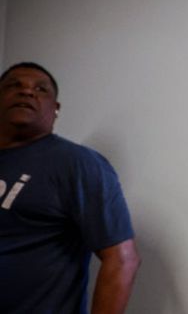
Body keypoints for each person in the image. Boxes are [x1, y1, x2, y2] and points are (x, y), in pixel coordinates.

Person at [0, 62, 140, 313]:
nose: (27, 91)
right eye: (14, 85)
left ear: (56, 109)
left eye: (41, 89)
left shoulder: (77, 164)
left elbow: (122, 260)